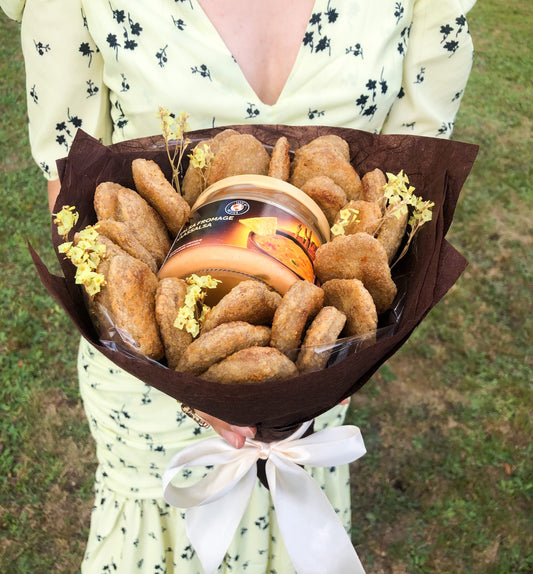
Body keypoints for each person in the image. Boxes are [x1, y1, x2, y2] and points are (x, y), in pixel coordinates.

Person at [1, 1, 476, 572]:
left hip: (318, 373)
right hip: (146, 390)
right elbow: (74, 196)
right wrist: (195, 382)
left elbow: (408, 194)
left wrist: (338, 356)